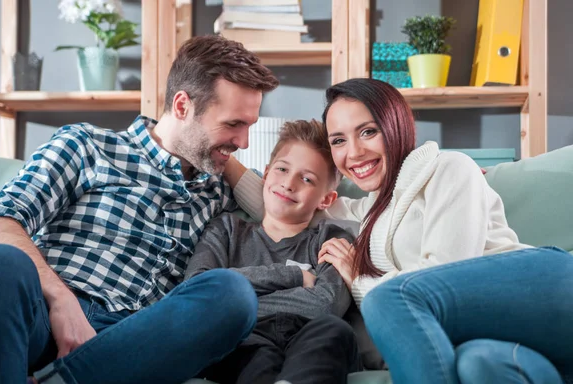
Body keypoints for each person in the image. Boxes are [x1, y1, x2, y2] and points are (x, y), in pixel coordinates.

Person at [0, 35, 279, 384]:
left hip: (134, 341)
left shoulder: (218, 186)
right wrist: (61, 300)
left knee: (233, 295)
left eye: (250, 125)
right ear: (182, 106)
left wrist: (224, 155)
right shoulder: (88, 145)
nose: (245, 142)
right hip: (46, 315)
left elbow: (284, 204)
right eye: (233, 124)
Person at [227, 78, 573, 384]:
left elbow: (439, 283)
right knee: (479, 365)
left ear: (395, 125)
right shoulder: (364, 213)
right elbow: (283, 200)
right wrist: (219, 150)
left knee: (390, 297)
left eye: (368, 131)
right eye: (338, 141)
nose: (355, 152)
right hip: (490, 337)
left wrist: (358, 278)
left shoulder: (449, 169)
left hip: (538, 290)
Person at [186, 120, 360, 384]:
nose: (289, 184)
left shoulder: (332, 238)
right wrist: (292, 276)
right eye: (282, 169)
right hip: (244, 338)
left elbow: (325, 305)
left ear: (326, 199)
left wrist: (237, 299)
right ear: (266, 173)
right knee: (248, 352)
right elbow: (199, 290)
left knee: (335, 330)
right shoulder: (227, 229)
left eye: (307, 179)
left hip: (310, 335)